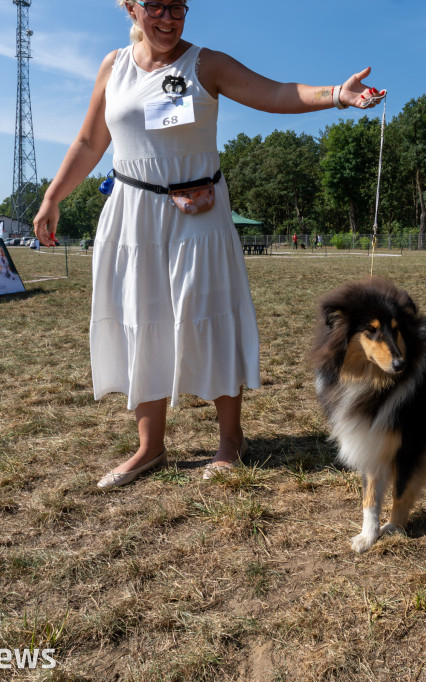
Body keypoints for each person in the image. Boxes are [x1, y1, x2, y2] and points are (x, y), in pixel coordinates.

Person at [32, 0, 385, 489]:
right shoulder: (112, 67)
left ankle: (230, 441)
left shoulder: (206, 64)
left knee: (211, 317)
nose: (168, 17)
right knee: (141, 319)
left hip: (199, 212)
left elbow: (276, 93)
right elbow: (90, 142)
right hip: (133, 215)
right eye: (156, 5)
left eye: (178, 6)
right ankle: (149, 446)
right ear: (132, 8)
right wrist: (53, 197)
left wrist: (337, 95)